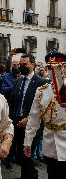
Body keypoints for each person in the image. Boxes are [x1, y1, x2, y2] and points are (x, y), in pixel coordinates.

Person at [23, 51, 66, 179]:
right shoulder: (41, 91)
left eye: (58, 67)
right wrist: (28, 141)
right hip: (49, 144)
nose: (55, 71)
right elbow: (33, 119)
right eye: (50, 67)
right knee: (52, 174)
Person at [9, 54, 47, 179]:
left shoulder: (42, 83)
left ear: (33, 65)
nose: (21, 67)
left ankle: (31, 176)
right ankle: (27, 175)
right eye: (20, 64)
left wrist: (29, 120)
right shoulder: (18, 81)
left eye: (24, 64)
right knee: (21, 155)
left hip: (33, 126)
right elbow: (13, 102)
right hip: (17, 123)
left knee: (28, 155)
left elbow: (44, 108)